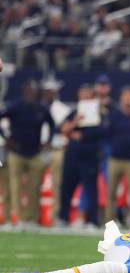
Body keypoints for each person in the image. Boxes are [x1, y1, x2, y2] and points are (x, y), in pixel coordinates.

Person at [0, 80, 55, 226]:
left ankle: (31, 218)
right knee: (15, 186)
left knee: (34, 187)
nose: (31, 93)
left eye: (33, 90)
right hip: (16, 152)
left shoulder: (40, 108)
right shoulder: (16, 106)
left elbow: (51, 123)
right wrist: (6, 137)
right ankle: (17, 218)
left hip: (35, 152)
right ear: (24, 91)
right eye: (28, 90)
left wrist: (48, 140)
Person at [59, 84, 105, 227]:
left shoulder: (99, 114)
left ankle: (92, 220)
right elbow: (62, 128)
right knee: (67, 187)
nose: (84, 96)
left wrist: (82, 136)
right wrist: (75, 123)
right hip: (72, 156)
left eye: (87, 94)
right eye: (82, 93)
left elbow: (102, 132)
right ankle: (63, 218)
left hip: (89, 156)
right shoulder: (74, 113)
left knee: (91, 189)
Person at [105, 86, 130, 228]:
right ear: (121, 98)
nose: (128, 99)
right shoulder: (114, 115)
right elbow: (107, 134)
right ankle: (109, 222)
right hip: (115, 158)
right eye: (125, 96)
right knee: (111, 192)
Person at [40, 75, 71, 222]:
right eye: (46, 90)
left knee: (58, 184)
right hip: (38, 149)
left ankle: (56, 216)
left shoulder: (63, 109)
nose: (48, 93)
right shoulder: (37, 106)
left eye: (51, 90)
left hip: (57, 148)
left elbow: (64, 130)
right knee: (33, 184)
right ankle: (31, 218)